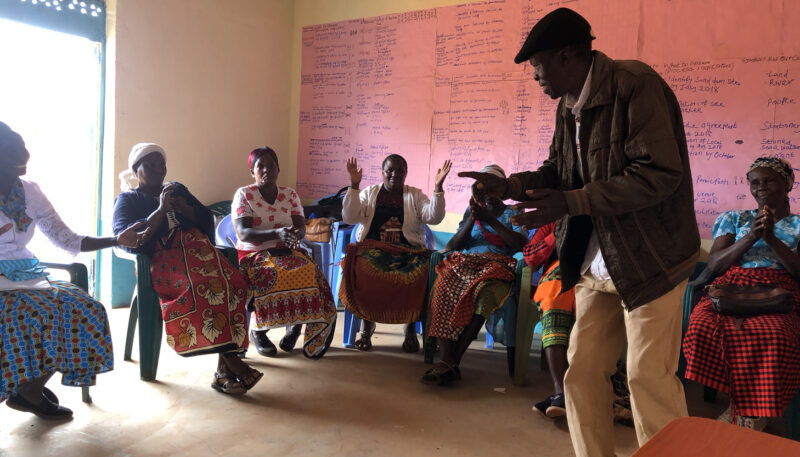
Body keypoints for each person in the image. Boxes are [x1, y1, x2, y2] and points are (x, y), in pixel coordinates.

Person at [459, 8, 699, 456]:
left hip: (651, 260)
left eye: (538, 65)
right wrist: (509, 185)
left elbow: (660, 173)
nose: (535, 77)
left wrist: (574, 201)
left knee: (647, 378)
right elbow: (559, 170)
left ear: (568, 56)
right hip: (595, 259)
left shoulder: (635, 86)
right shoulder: (568, 105)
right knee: (582, 371)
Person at [0, 121, 142, 420]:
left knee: (83, 309)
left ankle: (30, 389)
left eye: (21, 169)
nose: (17, 177)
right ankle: (18, 385)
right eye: (12, 169)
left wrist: (117, 239)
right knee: (16, 320)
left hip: (27, 276)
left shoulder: (29, 192)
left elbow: (67, 239)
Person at [112, 143, 262, 396]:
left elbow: (206, 220)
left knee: (234, 283)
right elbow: (123, 237)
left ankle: (223, 372)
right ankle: (232, 363)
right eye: (149, 165)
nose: (157, 170)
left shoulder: (176, 188)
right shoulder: (128, 199)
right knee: (202, 288)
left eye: (161, 164)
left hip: (198, 253)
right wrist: (160, 210)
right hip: (162, 261)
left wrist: (187, 209)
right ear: (135, 171)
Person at [684, 157, 800, 431]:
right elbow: (714, 264)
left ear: (788, 185)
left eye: (769, 180)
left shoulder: (797, 225)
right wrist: (751, 236)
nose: (760, 187)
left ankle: (750, 413)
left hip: (779, 291)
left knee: (775, 333)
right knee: (702, 326)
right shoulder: (734, 218)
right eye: (754, 182)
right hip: (731, 288)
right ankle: (745, 407)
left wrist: (771, 239)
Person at [421, 165, 528, 385]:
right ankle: (448, 362)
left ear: (502, 190)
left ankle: (449, 362)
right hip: (467, 263)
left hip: (497, 265)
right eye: (482, 190)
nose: (487, 195)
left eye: (492, 189)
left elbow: (520, 243)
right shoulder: (472, 211)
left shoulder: (514, 212)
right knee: (443, 284)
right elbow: (453, 245)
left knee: (483, 292)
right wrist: (474, 216)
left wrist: (492, 219)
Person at [232, 146, 336, 359]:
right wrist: (277, 233)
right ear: (252, 171)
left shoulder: (289, 195)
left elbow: (301, 226)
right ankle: (259, 331)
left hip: (287, 251)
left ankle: (295, 326)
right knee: (271, 274)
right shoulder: (244, 194)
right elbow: (243, 233)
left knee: (309, 272)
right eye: (260, 166)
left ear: (278, 169)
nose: (267, 169)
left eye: (272, 165)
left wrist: (294, 235)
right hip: (253, 254)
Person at [340, 154, 451, 352]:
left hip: (409, 252)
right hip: (372, 249)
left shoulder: (415, 195)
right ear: (382, 173)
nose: (394, 174)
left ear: (406, 173)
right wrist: (354, 186)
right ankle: (367, 326)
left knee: (419, 275)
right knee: (365, 274)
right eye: (389, 170)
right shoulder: (370, 193)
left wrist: (438, 188)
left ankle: (409, 327)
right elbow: (349, 216)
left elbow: (433, 217)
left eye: (400, 170)